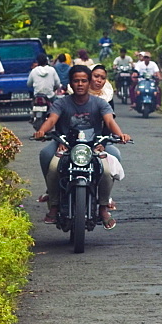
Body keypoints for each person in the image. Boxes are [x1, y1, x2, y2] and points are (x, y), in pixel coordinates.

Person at [33, 65, 131, 230]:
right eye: (76, 81)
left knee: (107, 170)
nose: (80, 84)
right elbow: (51, 120)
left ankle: (103, 207)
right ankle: (54, 204)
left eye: (84, 81)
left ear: (89, 82)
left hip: (94, 147)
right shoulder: (61, 103)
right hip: (66, 146)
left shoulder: (99, 103)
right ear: (70, 84)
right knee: (52, 165)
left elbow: (109, 121)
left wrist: (121, 135)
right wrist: (42, 131)